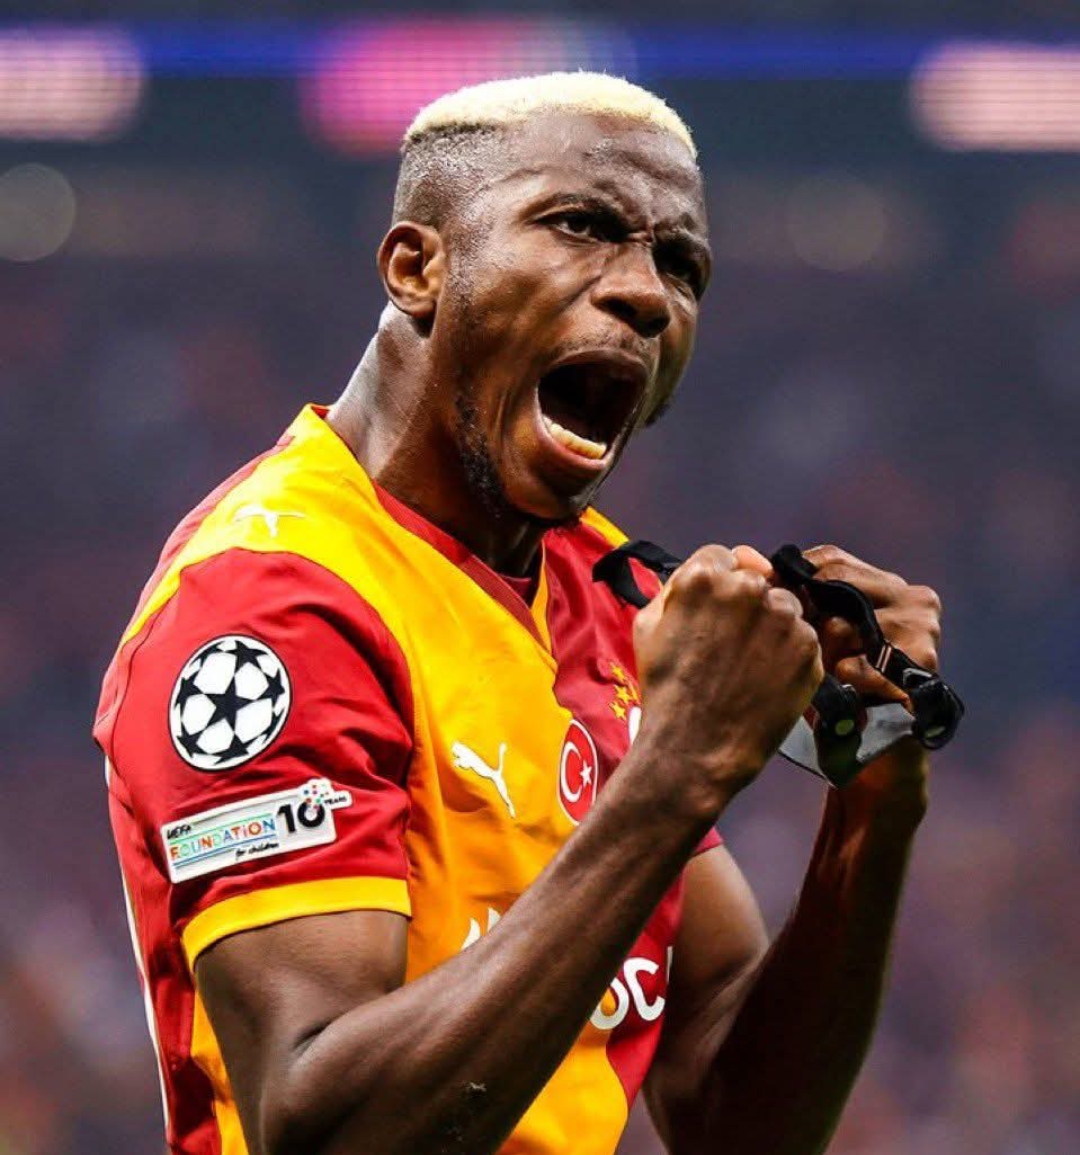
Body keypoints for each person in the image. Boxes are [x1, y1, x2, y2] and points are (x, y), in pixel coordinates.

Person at [94, 73, 943, 1155]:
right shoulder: (272, 602)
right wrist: (673, 774)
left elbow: (735, 1119)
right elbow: (326, 1131)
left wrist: (873, 805)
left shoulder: (607, 599)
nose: (647, 296)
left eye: (681, 266)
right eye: (580, 226)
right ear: (418, 267)